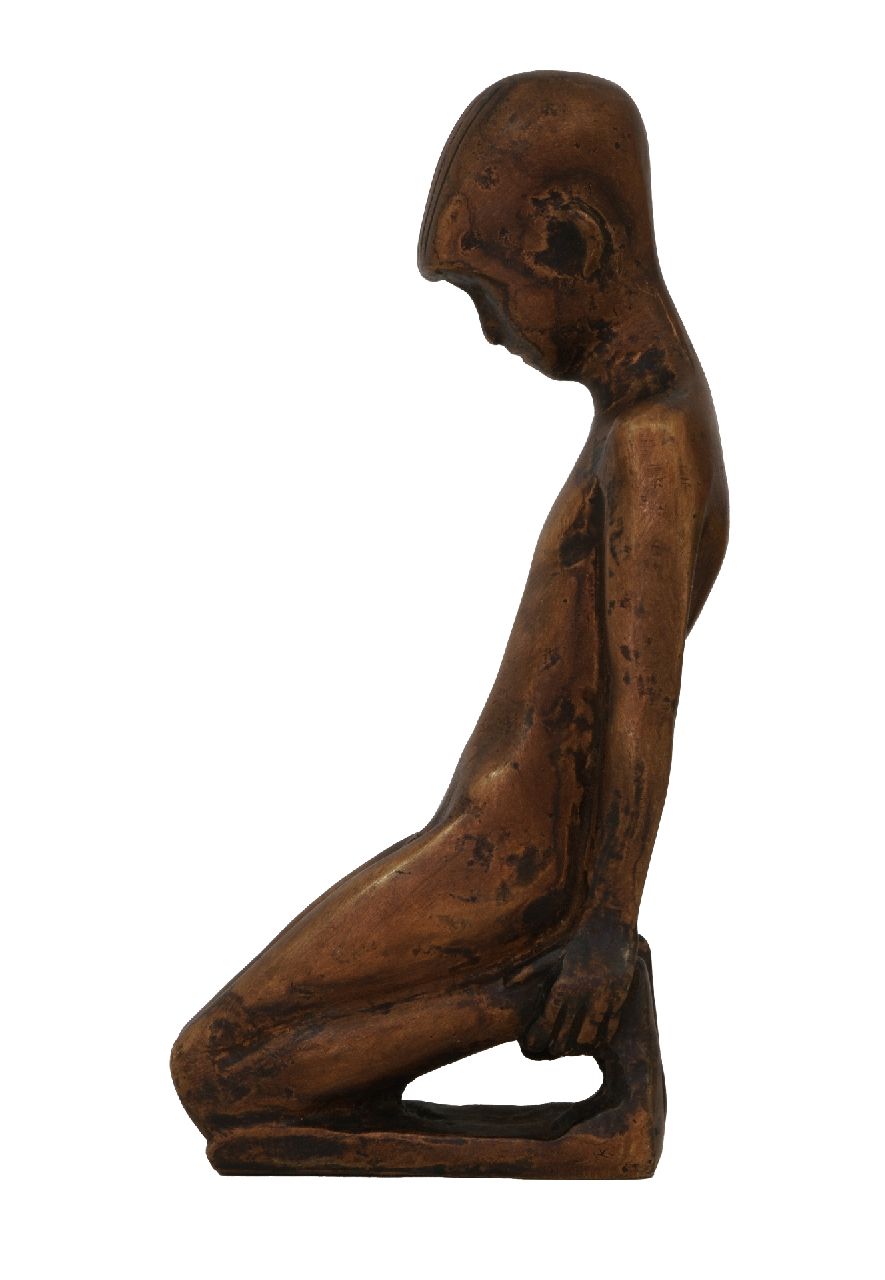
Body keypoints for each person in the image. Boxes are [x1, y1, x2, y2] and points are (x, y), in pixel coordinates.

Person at [171, 71, 728, 1145]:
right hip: (486, 842)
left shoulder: (652, 447)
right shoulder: (644, 426)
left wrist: (607, 923)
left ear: (568, 242)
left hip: (516, 862)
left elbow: (645, 702)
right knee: (218, 1073)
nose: (490, 331)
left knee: (217, 1071)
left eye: (489, 293)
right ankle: (562, 1024)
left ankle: (567, 1009)